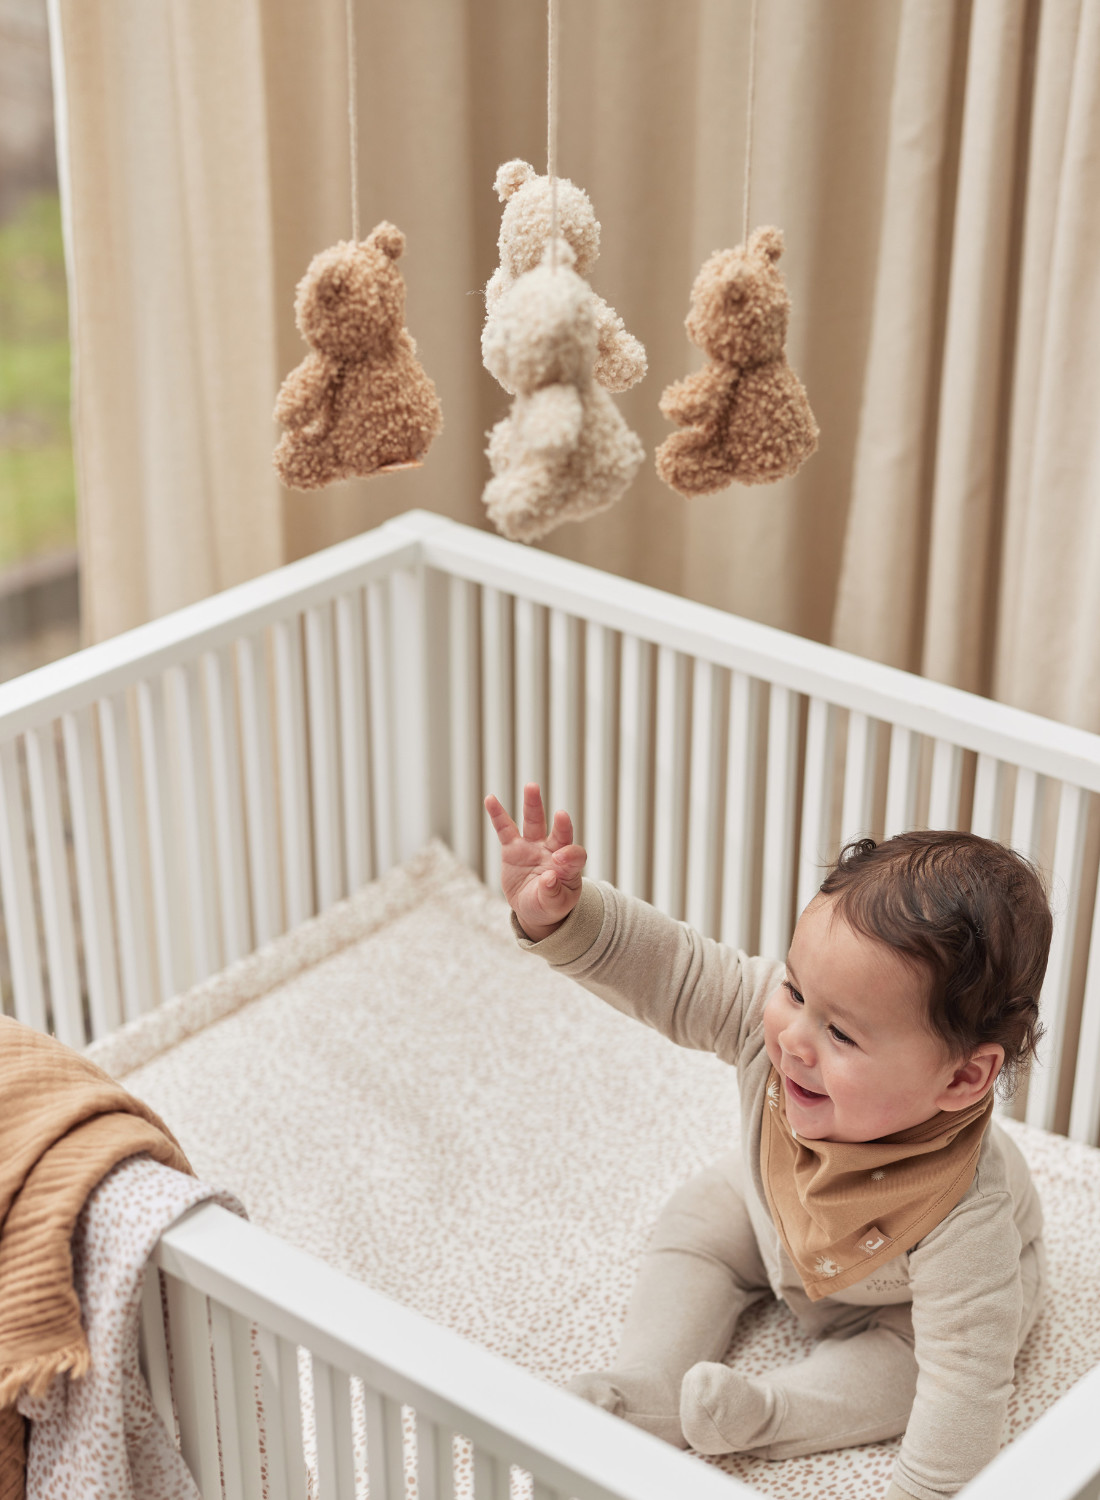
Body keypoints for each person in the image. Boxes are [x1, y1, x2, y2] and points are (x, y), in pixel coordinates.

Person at [484, 783, 1052, 1500]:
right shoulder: (770, 1025)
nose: (794, 1040)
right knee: (700, 1219)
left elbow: (964, 1388)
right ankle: (651, 1385)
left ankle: (768, 1414)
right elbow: (672, 967)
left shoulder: (964, 1216)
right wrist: (564, 918)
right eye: (795, 990)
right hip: (774, 1215)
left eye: (841, 1034)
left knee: (910, 1371)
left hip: (897, 1306)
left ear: (963, 1078)